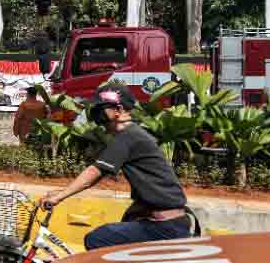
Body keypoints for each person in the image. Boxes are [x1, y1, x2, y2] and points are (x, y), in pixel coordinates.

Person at [40, 83, 191, 249]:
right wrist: (61, 193)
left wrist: (58, 197)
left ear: (118, 110)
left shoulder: (128, 137)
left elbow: (94, 172)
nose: (96, 116)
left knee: (97, 239)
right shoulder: (132, 134)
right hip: (166, 222)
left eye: (100, 110)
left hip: (165, 227)